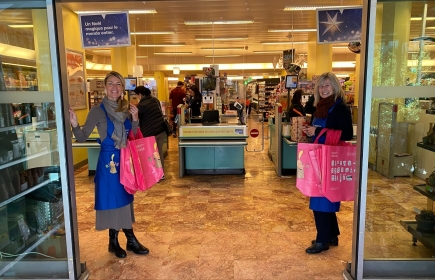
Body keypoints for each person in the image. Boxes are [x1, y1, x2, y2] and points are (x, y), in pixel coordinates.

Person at [69, 71, 149, 259]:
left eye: (118, 84)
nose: (115, 88)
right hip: (109, 164)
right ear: (105, 87)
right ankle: (117, 241)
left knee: (126, 200)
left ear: (123, 88)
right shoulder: (97, 111)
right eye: (111, 84)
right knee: (113, 201)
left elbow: (132, 137)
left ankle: (127, 240)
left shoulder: (126, 109)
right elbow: (81, 138)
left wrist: (135, 120)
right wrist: (74, 124)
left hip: (126, 160)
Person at [302, 72, 353, 254]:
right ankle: (332, 235)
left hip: (329, 159)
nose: (323, 90)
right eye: (321, 87)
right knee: (326, 196)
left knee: (320, 199)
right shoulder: (321, 107)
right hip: (320, 156)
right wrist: (311, 130)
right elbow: (321, 130)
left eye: (327, 86)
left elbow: (347, 134)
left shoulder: (340, 108)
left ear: (335, 87)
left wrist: (318, 130)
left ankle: (322, 240)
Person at [134, 86, 167, 173]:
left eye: (137, 95)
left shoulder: (141, 105)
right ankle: (161, 173)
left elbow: (135, 118)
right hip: (161, 129)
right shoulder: (155, 100)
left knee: (151, 153)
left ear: (140, 94)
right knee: (159, 153)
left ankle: (154, 173)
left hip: (150, 132)